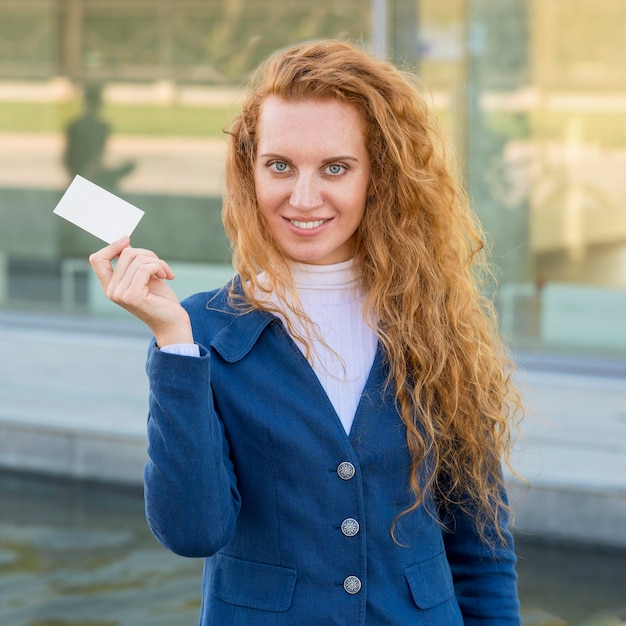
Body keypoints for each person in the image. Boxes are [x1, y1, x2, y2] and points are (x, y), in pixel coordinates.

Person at [90, 40, 523, 625]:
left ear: (380, 176)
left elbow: (483, 553)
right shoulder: (201, 332)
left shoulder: (437, 325)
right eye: (280, 165)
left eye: (336, 168)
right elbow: (193, 532)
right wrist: (174, 342)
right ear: (251, 169)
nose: (303, 198)